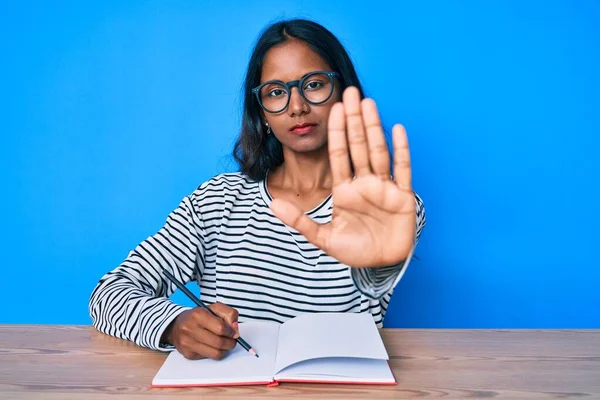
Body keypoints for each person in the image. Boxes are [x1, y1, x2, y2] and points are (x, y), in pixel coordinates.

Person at [89, 18, 426, 361]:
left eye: (313, 84)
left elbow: (374, 293)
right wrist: (173, 325)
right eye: (276, 92)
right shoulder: (215, 203)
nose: (297, 107)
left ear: (342, 91)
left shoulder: (385, 205)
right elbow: (108, 294)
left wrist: (380, 267)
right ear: (262, 112)